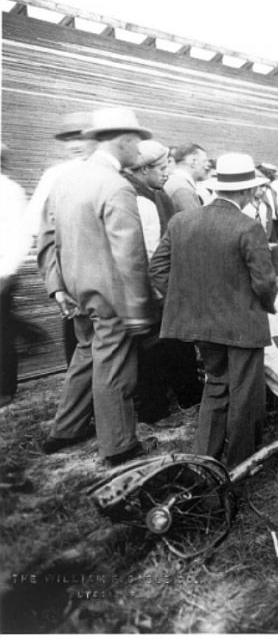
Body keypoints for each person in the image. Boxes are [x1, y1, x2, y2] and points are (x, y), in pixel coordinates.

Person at [37, 107, 158, 465]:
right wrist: (139, 310)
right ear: (122, 141)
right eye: (136, 143)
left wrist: (57, 285)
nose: (138, 152)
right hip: (111, 296)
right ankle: (119, 446)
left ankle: (66, 429)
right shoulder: (116, 186)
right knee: (114, 366)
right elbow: (130, 254)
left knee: (87, 353)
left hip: (75, 291)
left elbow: (46, 235)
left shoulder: (65, 180)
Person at [149, 153, 274, 467]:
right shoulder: (248, 227)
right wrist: (268, 303)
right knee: (246, 395)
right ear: (245, 192)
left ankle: (204, 459)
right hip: (242, 325)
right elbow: (263, 282)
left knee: (216, 385)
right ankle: (243, 462)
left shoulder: (181, 221)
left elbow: (157, 270)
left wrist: (188, 299)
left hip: (200, 324)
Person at [124, 140, 201, 419]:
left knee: (159, 347)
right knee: (160, 347)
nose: (167, 172)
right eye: (161, 167)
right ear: (143, 169)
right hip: (154, 288)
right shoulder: (141, 199)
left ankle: (165, 401)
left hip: (152, 287)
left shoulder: (150, 192)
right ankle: (159, 406)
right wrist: (162, 290)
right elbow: (148, 252)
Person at [28, 112, 97, 364]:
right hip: (75, 276)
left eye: (81, 136)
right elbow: (39, 229)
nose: (75, 144)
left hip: (110, 277)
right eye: (68, 139)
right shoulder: (56, 175)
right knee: (81, 343)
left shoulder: (112, 170)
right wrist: (56, 283)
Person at [1, 154, 28, 408]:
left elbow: (20, 235)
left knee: (2, 332)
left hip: (1, 274)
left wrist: (7, 271)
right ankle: (32, 334)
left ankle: (5, 389)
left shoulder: (9, 190)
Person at [164, 143, 211, 213]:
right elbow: (194, 221)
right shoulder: (182, 189)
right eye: (204, 161)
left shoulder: (174, 181)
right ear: (194, 161)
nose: (208, 165)